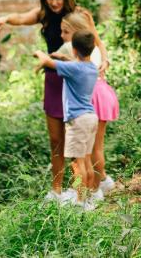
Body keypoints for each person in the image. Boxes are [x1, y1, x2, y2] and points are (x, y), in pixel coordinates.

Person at [0, 0, 110, 201]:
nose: (54, 2)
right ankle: (56, 190)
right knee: (56, 139)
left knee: (78, 139)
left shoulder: (79, 15)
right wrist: (3, 19)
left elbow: (96, 40)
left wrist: (105, 60)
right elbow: (22, 18)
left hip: (74, 80)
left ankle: (85, 190)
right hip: (54, 78)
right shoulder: (43, 14)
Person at [51, 11, 120, 198]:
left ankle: (88, 193)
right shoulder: (93, 48)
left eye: (66, 32)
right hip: (103, 92)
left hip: (92, 97)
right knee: (93, 149)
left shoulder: (70, 48)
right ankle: (95, 188)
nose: (62, 36)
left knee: (84, 154)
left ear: (76, 33)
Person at [35, 30, 101, 210]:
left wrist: (39, 53)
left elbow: (47, 62)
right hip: (91, 118)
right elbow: (75, 64)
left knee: (78, 164)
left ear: (73, 49)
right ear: (92, 48)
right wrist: (64, 57)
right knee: (86, 161)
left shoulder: (73, 68)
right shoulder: (91, 68)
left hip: (77, 121)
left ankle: (79, 203)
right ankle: (87, 200)